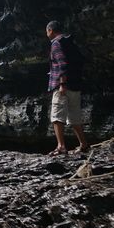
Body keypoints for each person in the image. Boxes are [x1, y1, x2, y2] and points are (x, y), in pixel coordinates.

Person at [45, 20, 89, 155]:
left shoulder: (56, 43)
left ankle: (61, 146)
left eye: (47, 31)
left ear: (51, 30)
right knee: (74, 116)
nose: (47, 34)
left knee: (57, 116)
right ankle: (84, 144)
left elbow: (62, 64)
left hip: (62, 85)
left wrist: (62, 83)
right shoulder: (69, 42)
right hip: (75, 85)